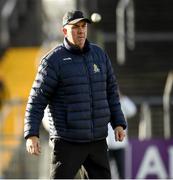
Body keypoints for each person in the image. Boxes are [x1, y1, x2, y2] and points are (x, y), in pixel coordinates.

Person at [24, 10, 127, 179]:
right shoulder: (52, 61)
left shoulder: (99, 55)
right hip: (67, 141)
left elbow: (111, 92)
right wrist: (31, 134)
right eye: (76, 27)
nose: (81, 30)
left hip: (97, 140)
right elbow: (36, 100)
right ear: (65, 31)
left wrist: (118, 122)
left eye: (83, 26)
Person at [107, 94, 137, 179]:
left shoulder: (120, 102)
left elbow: (132, 110)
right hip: (106, 144)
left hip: (120, 144)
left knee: (122, 172)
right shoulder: (103, 101)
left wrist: (123, 98)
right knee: (106, 172)